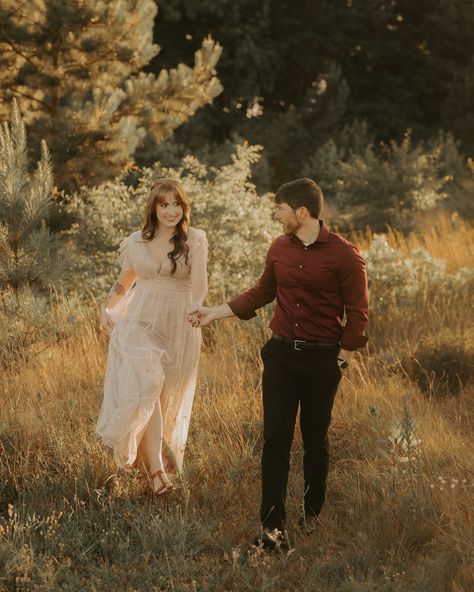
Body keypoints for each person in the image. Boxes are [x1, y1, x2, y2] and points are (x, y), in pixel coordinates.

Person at [187, 178, 368, 548]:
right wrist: (214, 313)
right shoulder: (279, 248)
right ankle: (271, 527)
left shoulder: (345, 255)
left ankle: (312, 516)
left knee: (315, 440)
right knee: (275, 439)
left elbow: (358, 313)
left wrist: (343, 357)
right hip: (281, 355)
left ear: (302, 212)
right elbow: (262, 291)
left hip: (322, 360)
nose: (276, 215)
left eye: (281, 209)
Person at [96, 178, 208, 495]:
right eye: (164, 204)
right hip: (139, 321)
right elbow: (124, 282)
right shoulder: (137, 242)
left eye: (176, 204)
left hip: (179, 323)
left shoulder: (195, 240)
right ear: (154, 208)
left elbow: (199, 283)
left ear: (183, 207)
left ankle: (154, 464)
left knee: (163, 396)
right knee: (149, 382)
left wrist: (197, 307)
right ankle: (159, 473)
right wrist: (107, 307)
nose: (171, 210)